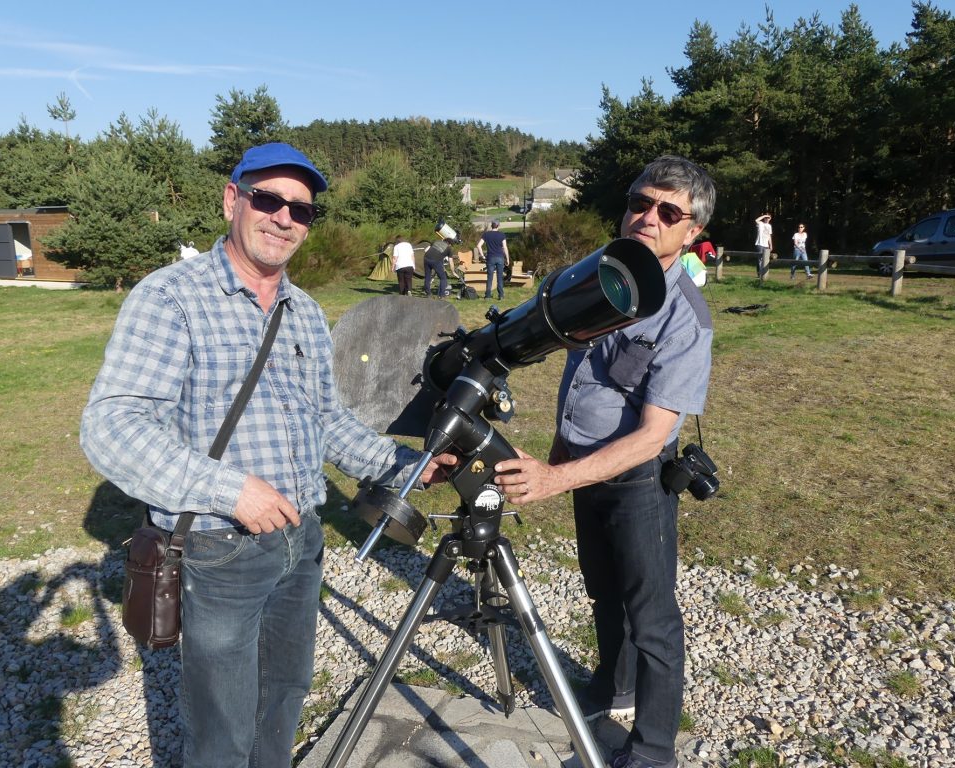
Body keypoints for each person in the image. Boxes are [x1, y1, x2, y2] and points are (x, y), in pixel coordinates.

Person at [80, 142, 455, 768]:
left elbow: (327, 423)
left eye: (301, 210)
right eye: (268, 199)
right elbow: (111, 426)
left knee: (283, 697)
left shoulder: (304, 312)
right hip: (219, 549)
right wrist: (231, 492)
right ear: (233, 199)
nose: (284, 217)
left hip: (301, 541)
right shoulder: (171, 297)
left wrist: (405, 466)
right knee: (223, 726)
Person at [493, 155, 716, 768]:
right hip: (584, 470)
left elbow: (651, 436)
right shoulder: (604, 278)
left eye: (668, 212)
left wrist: (553, 477)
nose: (648, 217)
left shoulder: (685, 319)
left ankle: (652, 751)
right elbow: (581, 373)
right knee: (601, 593)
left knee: (653, 621)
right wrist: (564, 453)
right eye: (640, 203)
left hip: (637, 482)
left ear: (690, 230)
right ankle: (608, 687)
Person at [475, 219, 510, 300]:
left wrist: (483, 256)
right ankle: (501, 295)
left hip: (490, 258)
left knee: (489, 277)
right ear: (498, 226)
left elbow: (478, 245)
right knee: (500, 277)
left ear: (492, 225)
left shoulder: (486, 234)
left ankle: (487, 295)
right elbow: (505, 247)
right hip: (500, 258)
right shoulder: (502, 235)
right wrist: (507, 258)